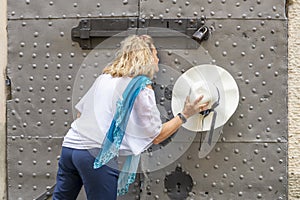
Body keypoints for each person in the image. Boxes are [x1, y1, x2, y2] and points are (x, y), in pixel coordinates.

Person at [53, 34, 209, 200]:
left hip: (70, 147)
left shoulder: (104, 78)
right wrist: (185, 115)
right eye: (155, 54)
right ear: (147, 57)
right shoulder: (141, 85)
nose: (158, 59)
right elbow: (156, 136)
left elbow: (80, 113)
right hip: (96, 154)